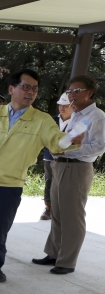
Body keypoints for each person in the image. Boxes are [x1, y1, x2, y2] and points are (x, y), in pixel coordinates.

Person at [0, 69, 82, 294]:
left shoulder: (41, 120)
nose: (31, 92)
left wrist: (71, 140)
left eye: (35, 89)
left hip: (9, 187)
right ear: (12, 89)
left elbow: (55, 141)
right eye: (26, 87)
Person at [33, 75, 105, 274]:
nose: (71, 95)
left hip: (78, 169)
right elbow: (70, 139)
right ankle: (54, 254)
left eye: (77, 91)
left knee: (72, 216)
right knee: (57, 212)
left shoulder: (97, 116)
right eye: (70, 91)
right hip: (61, 165)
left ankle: (67, 262)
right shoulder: (76, 114)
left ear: (89, 93)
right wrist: (61, 148)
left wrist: (68, 151)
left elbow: (99, 147)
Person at [38, 93, 73, 220]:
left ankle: (62, 208)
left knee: (65, 183)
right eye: (60, 105)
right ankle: (48, 207)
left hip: (68, 158)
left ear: (73, 106)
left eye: (65, 105)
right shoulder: (52, 120)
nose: (62, 108)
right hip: (50, 156)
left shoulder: (77, 122)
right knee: (49, 181)